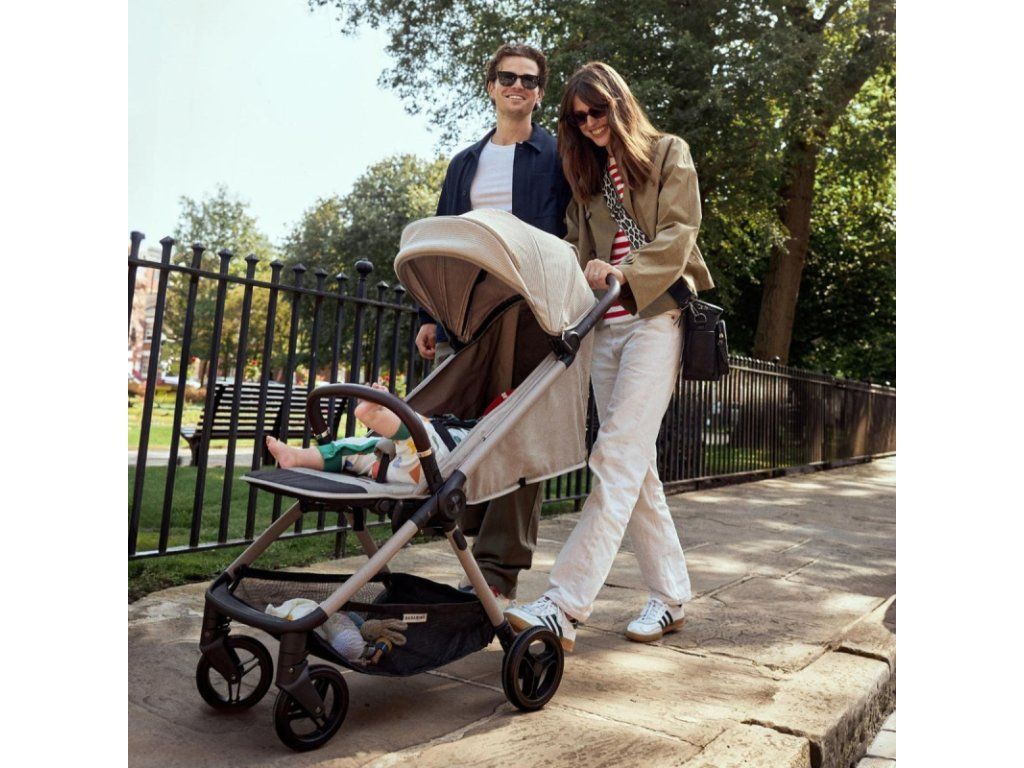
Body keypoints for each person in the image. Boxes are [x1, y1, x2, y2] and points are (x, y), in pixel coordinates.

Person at [505, 62, 715, 652]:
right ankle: (671, 596)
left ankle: (563, 605)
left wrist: (622, 271)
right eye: (578, 118)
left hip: (656, 320)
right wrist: (564, 270)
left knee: (615, 456)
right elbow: (575, 250)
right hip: (606, 329)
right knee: (635, 468)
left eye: (597, 111)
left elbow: (680, 233)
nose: (590, 123)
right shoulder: (589, 179)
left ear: (619, 104)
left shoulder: (669, 153)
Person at [413, 42, 572, 606]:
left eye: (529, 80)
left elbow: (574, 231)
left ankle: (499, 572)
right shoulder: (465, 163)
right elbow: (445, 236)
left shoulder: (558, 156)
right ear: (491, 87)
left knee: (518, 432)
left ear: (540, 93)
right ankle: (472, 555)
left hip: (533, 311)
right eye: (508, 77)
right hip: (471, 313)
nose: (517, 86)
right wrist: (431, 314)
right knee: (464, 429)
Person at [265, 383, 482, 486]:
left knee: (415, 427)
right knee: (356, 448)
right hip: (396, 467)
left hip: (435, 463)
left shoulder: (480, 432)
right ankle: (296, 456)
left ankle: (380, 410)